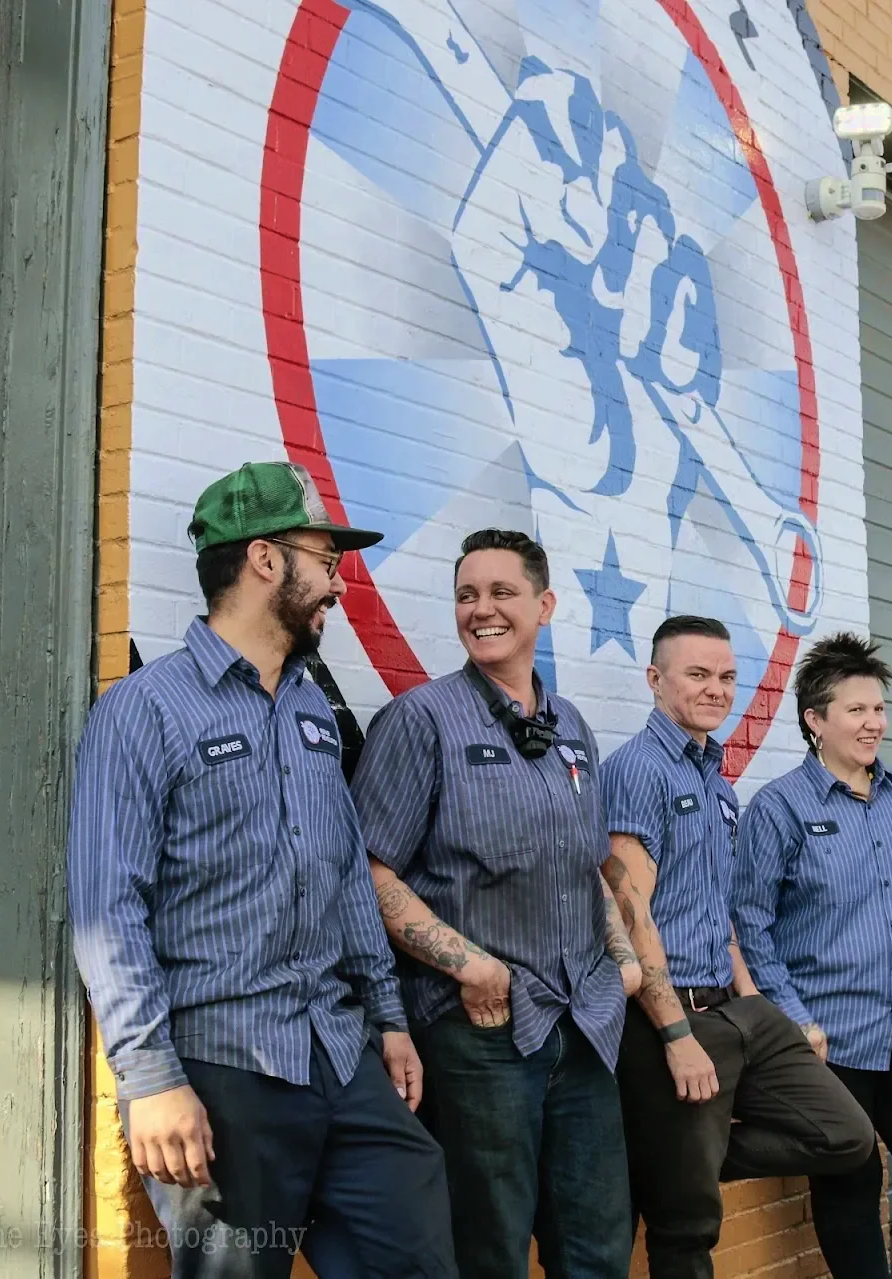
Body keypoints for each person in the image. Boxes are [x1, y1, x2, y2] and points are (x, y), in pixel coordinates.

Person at [67, 461, 456, 1279]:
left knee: (416, 1245)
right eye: (327, 560)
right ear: (266, 559)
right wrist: (149, 1076)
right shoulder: (143, 709)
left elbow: (346, 876)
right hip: (223, 1065)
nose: (340, 584)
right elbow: (108, 907)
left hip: (338, 1049)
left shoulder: (313, 709)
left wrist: (388, 1019)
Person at [349, 528, 639, 1279]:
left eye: (502, 592)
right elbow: (370, 873)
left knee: (598, 1246)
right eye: (466, 595)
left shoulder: (571, 727)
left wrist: (625, 960)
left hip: (585, 1024)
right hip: (482, 1036)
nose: (481, 609)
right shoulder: (421, 720)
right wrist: (471, 966)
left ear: (544, 605)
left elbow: (587, 866)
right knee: (491, 1249)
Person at [599, 616, 877, 1278]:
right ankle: (673, 1163)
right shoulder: (639, 770)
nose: (716, 689)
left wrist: (755, 1000)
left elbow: (716, 908)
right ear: (655, 679)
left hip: (733, 1006)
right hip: (670, 1016)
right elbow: (631, 917)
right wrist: (675, 1034)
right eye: (697, 674)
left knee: (847, 1134)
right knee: (686, 1226)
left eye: (726, 676)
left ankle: (666, 1155)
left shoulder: (716, 783)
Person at [730, 633, 892, 1279]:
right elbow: (751, 926)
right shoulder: (778, 808)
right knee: (849, 1191)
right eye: (856, 710)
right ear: (815, 720)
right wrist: (793, 1019)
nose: (874, 722)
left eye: (878, 708)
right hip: (830, 1043)